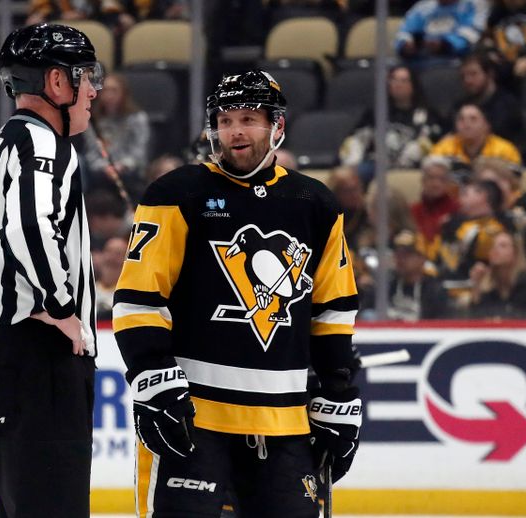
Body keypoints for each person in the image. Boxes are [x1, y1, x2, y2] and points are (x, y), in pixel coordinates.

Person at [112, 70, 362, 517]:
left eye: (249, 118)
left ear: (276, 126)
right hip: (194, 417)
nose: (235, 131)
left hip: (286, 424)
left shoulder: (315, 204)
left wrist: (339, 391)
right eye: (225, 120)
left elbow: (332, 312)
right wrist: (152, 377)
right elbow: (138, 299)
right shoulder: (177, 193)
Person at [0, 24, 103, 518]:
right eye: (85, 76)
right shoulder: (45, 145)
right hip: (38, 362)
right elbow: (29, 225)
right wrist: (59, 308)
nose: (92, 89)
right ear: (56, 83)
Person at [339, 64, 443, 185]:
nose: (397, 84)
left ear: (413, 85)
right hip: (376, 165)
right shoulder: (376, 112)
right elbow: (355, 138)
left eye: (403, 80)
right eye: (394, 80)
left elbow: (437, 141)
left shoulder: (427, 113)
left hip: (412, 167)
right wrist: (353, 158)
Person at [81, 72, 151, 200]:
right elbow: (91, 152)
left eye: (114, 90)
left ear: (124, 93)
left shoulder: (137, 118)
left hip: (129, 169)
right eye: (106, 90)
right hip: (102, 171)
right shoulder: (92, 119)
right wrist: (104, 167)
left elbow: (139, 152)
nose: (109, 95)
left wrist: (122, 165)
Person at [468, 230, 526, 319]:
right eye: (492, 246)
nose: (495, 250)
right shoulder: (489, 288)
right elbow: (477, 320)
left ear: (516, 253)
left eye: (503, 246)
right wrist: (477, 285)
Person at [428, 102, 521, 169]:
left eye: (473, 119)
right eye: (461, 119)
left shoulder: (505, 150)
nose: (466, 124)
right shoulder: (444, 148)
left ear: (487, 126)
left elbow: (514, 182)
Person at [455, 52, 522, 142]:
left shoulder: (508, 105)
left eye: (473, 74)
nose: (468, 80)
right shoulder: (460, 106)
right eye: (463, 76)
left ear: (490, 74)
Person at [395, 0, 489, 62]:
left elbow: (474, 33)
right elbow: (404, 32)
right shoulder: (422, 7)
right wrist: (405, 45)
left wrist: (444, 44)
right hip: (421, 60)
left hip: (459, 61)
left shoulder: (473, 4)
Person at [410, 155, 460, 259]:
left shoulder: (458, 210)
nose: (436, 184)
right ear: (423, 181)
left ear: (448, 183)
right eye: (431, 178)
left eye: (442, 179)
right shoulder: (412, 211)